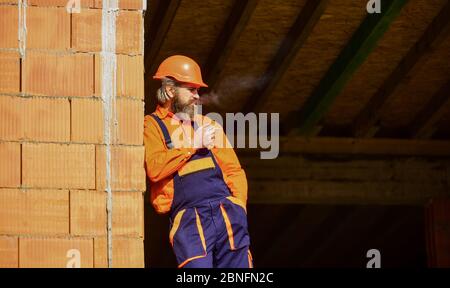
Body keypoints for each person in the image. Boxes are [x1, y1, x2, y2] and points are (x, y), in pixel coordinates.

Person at [143, 55, 253, 268]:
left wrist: (238, 206)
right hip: (189, 220)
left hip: (227, 213)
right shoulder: (152, 126)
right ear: (169, 90)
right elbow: (155, 168)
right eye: (191, 90)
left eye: (198, 90)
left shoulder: (208, 124)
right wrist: (194, 143)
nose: (197, 96)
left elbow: (234, 171)